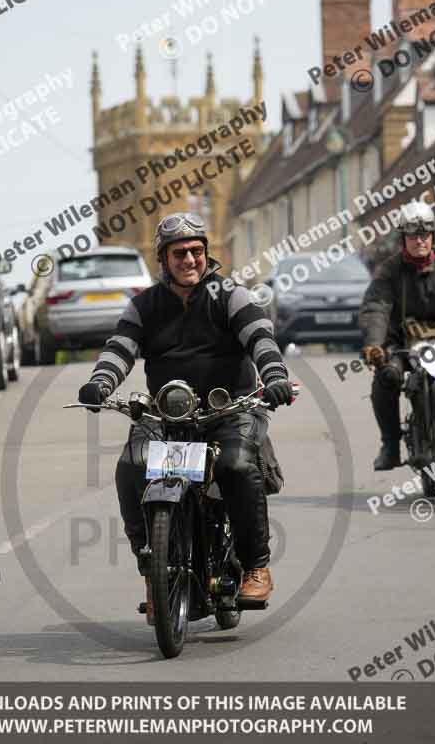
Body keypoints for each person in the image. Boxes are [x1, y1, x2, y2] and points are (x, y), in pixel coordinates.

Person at [78, 212, 292, 621]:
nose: (189, 260)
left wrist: (275, 376)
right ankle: (151, 564)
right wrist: (99, 383)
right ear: (164, 258)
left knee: (235, 465)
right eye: (179, 253)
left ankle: (256, 566)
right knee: (131, 465)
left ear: (206, 254)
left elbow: (260, 338)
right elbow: (120, 347)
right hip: (165, 413)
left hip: (230, 407)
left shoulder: (232, 295)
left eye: (196, 251)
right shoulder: (145, 304)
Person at [359, 201, 435, 470]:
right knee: (387, 376)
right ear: (403, 238)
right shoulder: (389, 270)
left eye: (425, 235)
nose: (420, 240)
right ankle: (391, 445)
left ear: (432, 235)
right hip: (403, 344)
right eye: (413, 235)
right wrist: (374, 344)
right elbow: (377, 307)